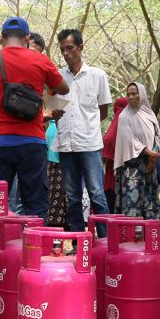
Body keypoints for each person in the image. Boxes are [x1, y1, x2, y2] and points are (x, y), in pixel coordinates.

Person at [0, 17, 69, 219]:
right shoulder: (41, 61)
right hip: (32, 143)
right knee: (36, 204)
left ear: (1, 38)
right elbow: (63, 88)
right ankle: (35, 247)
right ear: (27, 37)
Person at [52, 29, 112, 235]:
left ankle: (105, 241)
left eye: (70, 48)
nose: (66, 53)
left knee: (96, 193)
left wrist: (88, 125)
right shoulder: (58, 77)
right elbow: (52, 108)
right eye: (62, 50)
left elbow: (103, 110)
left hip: (90, 143)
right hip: (65, 144)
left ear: (80, 47)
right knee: (73, 196)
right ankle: (79, 241)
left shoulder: (97, 75)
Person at [113, 82, 160, 219]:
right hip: (132, 166)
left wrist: (153, 157)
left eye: (134, 93)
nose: (131, 97)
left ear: (141, 94)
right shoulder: (124, 116)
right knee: (132, 201)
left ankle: (150, 232)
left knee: (149, 197)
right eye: (128, 94)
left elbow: (158, 136)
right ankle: (133, 235)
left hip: (149, 164)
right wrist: (147, 151)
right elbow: (129, 139)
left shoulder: (150, 114)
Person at [102, 97, 128, 213]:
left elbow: (107, 142)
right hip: (124, 175)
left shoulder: (113, 127)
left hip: (111, 175)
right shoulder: (128, 123)